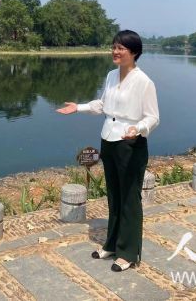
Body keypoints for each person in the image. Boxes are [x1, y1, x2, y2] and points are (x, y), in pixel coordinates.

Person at [57, 30, 159, 272]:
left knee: (129, 198)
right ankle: (112, 244)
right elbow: (103, 105)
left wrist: (138, 128)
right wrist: (79, 107)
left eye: (121, 48)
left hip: (130, 143)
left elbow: (153, 117)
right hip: (109, 140)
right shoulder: (111, 75)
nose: (115, 51)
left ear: (134, 52)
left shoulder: (144, 82)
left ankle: (128, 252)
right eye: (114, 46)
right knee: (114, 195)